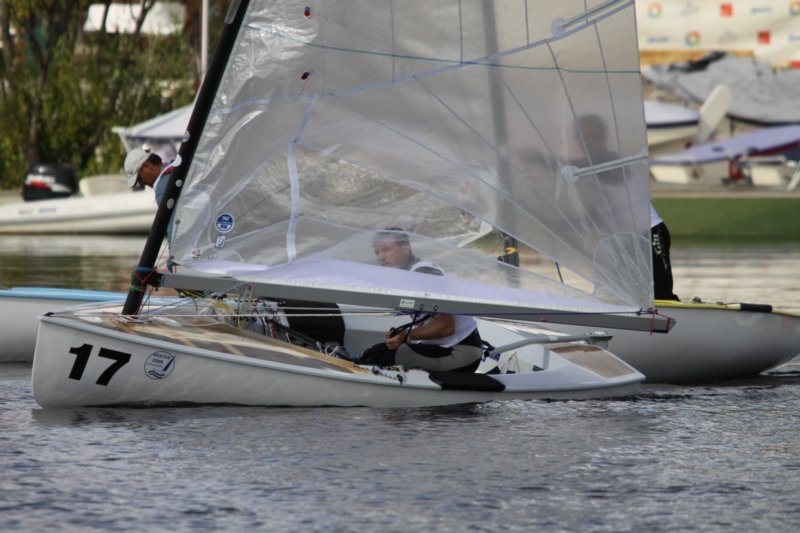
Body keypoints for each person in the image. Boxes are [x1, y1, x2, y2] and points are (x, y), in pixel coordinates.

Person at [574, 114, 679, 301]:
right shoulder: (586, 169)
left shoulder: (611, 161)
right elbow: (597, 214)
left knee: (662, 296)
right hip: (630, 241)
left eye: (592, 137)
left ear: (603, 137)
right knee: (620, 292)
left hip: (652, 234)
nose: (588, 143)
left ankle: (674, 313)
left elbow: (588, 166)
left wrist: (543, 160)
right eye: (583, 138)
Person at [367, 228, 483, 372]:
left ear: (405, 249)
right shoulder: (404, 277)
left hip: (460, 352)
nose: (380, 257)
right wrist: (400, 334)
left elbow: (447, 326)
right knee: (377, 351)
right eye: (377, 252)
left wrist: (405, 335)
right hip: (439, 347)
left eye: (386, 250)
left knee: (387, 355)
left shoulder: (424, 273)